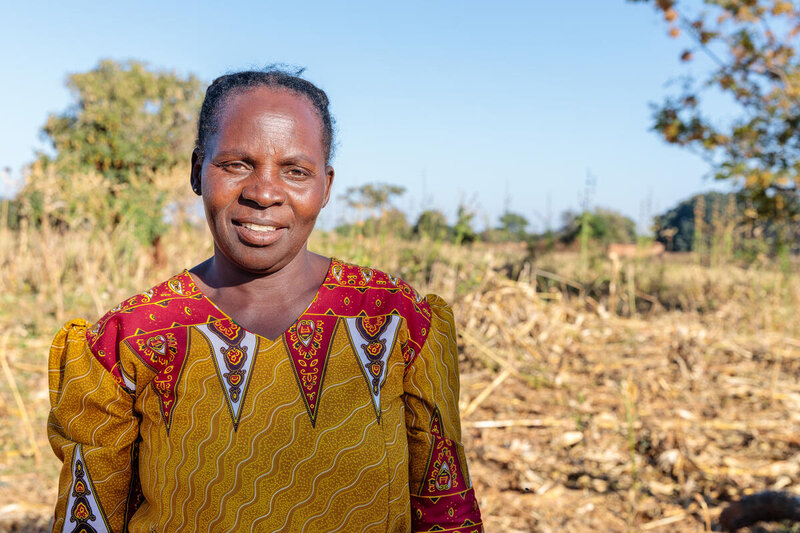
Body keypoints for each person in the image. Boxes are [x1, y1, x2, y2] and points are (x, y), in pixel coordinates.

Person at [48, 68, 483, 532]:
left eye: (296, 171)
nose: (264, 192)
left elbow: (445, 510)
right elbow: (88, 518)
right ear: (198, 171)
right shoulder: (128, 339)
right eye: (236, 164)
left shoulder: (396, 320)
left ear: (326, 187)